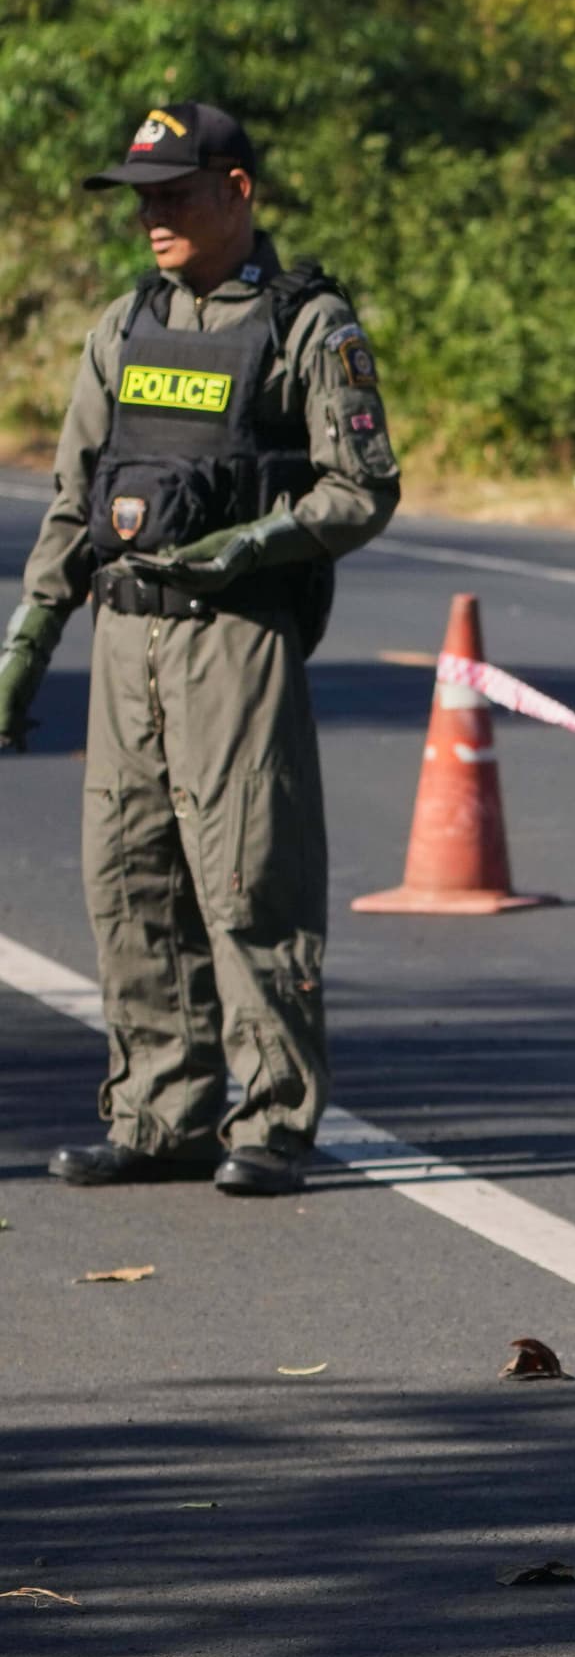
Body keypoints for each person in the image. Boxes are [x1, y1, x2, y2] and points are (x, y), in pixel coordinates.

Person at [0, 103, 401, 1198]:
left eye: (176, 192)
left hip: (235, 636)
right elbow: (74, 501)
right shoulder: (123, 326)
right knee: (128, 874)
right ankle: (159, 1112)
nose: (154, 215)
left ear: (239, 189)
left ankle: (270, 1118)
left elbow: (362, 488)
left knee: (247, 875)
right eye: (142, 196)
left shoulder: (307, 324)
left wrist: (242, 549)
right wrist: (28, 642)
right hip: (125, 636)